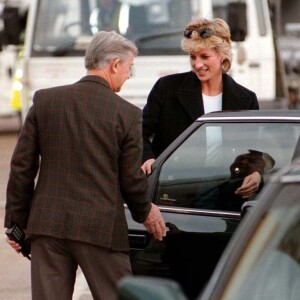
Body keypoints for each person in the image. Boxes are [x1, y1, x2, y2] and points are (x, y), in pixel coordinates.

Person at [5, 31, 166, 300]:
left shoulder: (45, 101)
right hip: (100, 229)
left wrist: (15, 224)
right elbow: (130, 180)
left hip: (48, 226)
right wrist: (146, 211)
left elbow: (22, 168)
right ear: (115, 65)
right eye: (129, 68)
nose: (128, 75)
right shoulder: (127, 115)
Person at [141, 17, 261, 198]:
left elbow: (254, 149)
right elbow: (139, 132)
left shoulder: (246, 99)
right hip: (175, 187)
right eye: (192, 56)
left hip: (227, 191)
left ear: (223, 56)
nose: (197, 64)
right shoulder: (167, 88)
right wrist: (148, 159)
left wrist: (256, 173)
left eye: (205, 56)